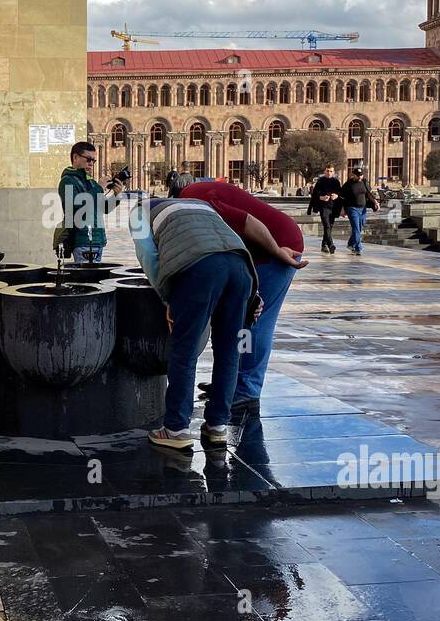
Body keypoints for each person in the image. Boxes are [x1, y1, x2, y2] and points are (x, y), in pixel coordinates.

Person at [132, 197, 261, 452]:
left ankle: (176, 429)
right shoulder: (201, 205)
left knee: (184, 351)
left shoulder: (138, 213)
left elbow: (148, 256)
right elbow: (225, 242)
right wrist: (254, 296)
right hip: (241, 267)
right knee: (228, 352)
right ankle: (218, 426)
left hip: (199, 269)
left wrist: (168, 295)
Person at [179, 179, 307, 418]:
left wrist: (277, 250)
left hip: (278, 247)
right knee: (238, 319)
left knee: (254, 319)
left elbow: (246, 222)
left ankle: (247, 389)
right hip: (259, 247)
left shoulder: (193, 202)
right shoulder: (191, 199)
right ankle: (231, 382)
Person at [57, 141, 123, 260]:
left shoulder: (91, 181)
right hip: (82, 240)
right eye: (88, 159)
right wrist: (98, 188)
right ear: (75, 157)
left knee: (95, 277)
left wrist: (116, 195)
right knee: (86, 278)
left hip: (98, 240)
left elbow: (104, 208)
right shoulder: (67, 181)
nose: (91, 164)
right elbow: (74, 208)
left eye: (93, 160)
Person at [339, 167, 379, 256]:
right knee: (356, 228)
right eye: (358, 175)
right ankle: (358, 248)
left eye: (361, 175)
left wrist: (375, 202)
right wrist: (342, 209)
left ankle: (350, 244)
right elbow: (341, 198)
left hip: (363, 209)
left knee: (360, 227)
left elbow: (369, 194)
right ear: (353, 175)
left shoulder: (364, 182)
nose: (360, 177)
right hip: (352, 208)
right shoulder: (348, 184)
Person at [307, 163, 342, 253]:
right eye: (327, 171)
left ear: (333, 172)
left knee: (329, 227)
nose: (329, 173)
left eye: (331, 171)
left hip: (333, 207)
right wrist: (321, 197)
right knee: (326, 225)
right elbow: (314, 194)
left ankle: (324, 245)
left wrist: (336, 195)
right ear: (324, 171)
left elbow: (340, 193)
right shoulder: (320, 181)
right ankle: (331, 244)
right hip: (324, 207)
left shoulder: (336, 182)